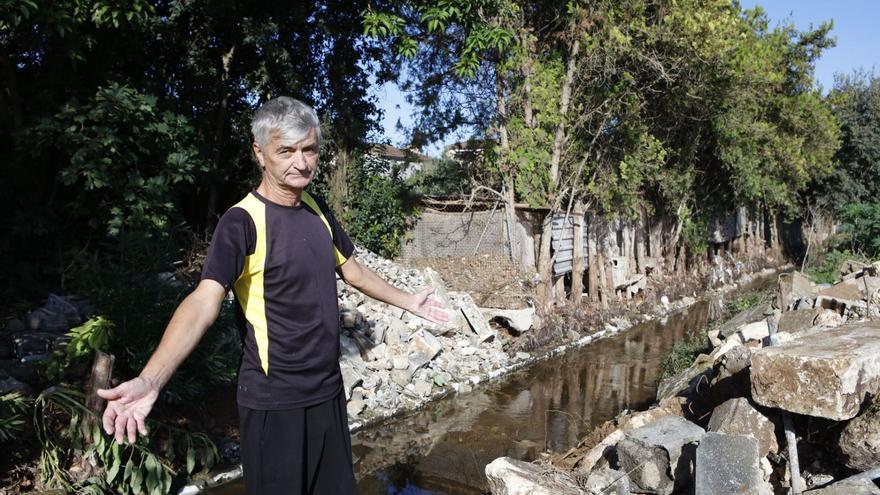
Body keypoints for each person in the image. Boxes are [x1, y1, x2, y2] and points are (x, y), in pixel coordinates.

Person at [97, 97, 449, 494]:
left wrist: (409, 301)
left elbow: (355, 272)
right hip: (274, 402)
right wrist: (151, 378)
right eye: (286, 151)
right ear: (259, 153)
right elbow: (203, 302)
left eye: (309, 149)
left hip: (328, 392)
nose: (301, 162)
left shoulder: (317, 210)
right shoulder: (241, 222)